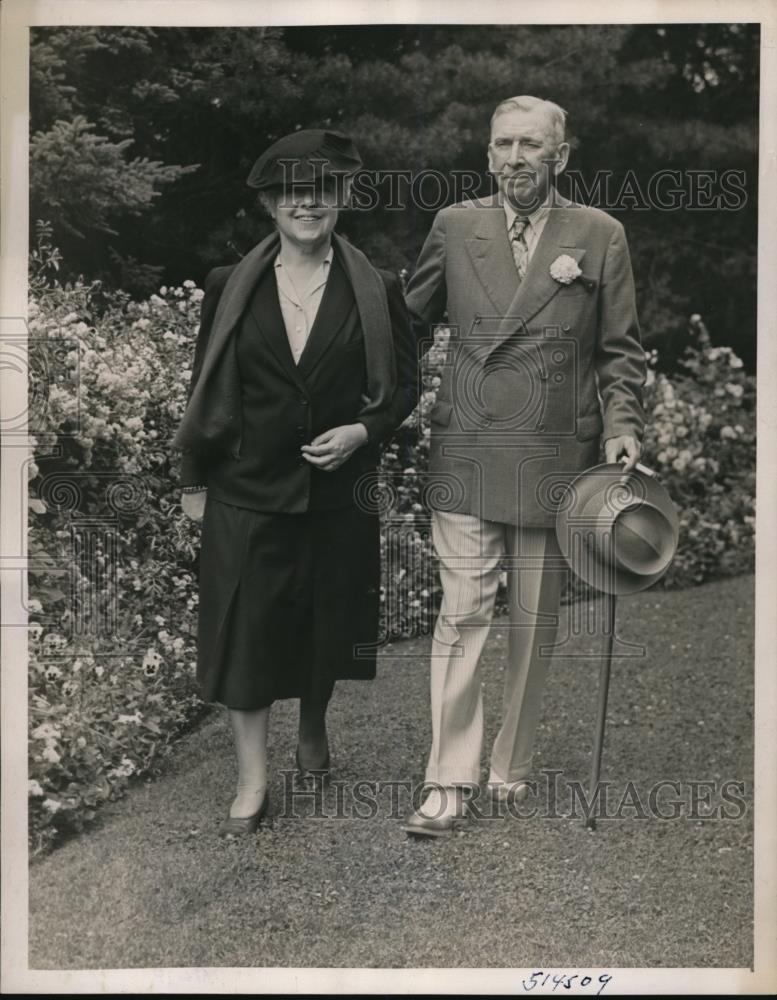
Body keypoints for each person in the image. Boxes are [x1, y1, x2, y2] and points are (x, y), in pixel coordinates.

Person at [402, 96, 646, 836]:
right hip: (469, 446)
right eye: (502, 144)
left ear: (559, 157)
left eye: (530, 145)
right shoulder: (454, 227)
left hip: (552, 455)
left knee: (534, 623)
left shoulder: (599, 236)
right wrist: (370, 406)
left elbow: (618, 351)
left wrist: (622, 426)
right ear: (486, 155)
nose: (514, 158)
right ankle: (448, 779)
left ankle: (509, 761)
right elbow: (405, 327)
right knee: (462, 614)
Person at [173, 130, 417, 836]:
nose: (304, 202)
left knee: (325, 624)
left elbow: (400, 386)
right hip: (246, 487)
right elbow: (203, 384)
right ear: (270, 205)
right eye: (288, 191)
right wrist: (194, 478)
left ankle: (314, 723)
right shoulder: (229, 284)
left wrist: (362, 433)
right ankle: (253, 778)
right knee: (243, 629)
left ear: (339, 199)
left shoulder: (379, 288)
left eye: (319, 190)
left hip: (337, 492)